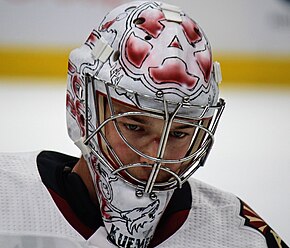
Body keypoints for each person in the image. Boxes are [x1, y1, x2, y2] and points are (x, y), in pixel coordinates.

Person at [0, 1, 288, 248]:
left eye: (179, 132)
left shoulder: (239, 237)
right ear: (83, 107)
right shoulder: (7, 201)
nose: (157, 157)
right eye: (135, 127)